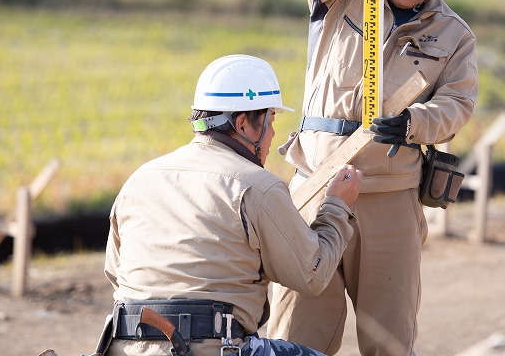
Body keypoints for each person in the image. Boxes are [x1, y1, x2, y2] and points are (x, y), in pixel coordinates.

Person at [268, 0, 479, 355]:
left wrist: (414, 123)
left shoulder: (454, 36)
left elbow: (459, 103)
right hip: (317, 185)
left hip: (392, 197)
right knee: (296, 336)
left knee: (389, 338)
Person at [102, 54, 364, 356]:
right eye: (270, 120)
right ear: (243, 124)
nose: (273, 135)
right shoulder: (257, 186)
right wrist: (336, 206)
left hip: (125, 348)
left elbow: (115, 271)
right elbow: (313, 274)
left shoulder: (139, 179)